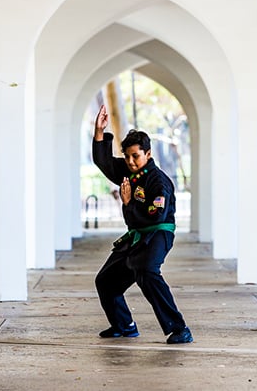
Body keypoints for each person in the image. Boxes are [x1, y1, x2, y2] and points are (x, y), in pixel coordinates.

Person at [92, 104, 193, 344]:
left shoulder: (159, 183)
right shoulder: (129, 172)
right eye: (126, 156)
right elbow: (105, 163)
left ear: (148, 154)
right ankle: (124, 325)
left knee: (146, 270)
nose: (130, 161)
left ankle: (179, 329)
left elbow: (154, 217)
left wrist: (128, 204)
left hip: (157, 234)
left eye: (135, 156)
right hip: (137, 234)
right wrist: (99, 132)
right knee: (105, 280)